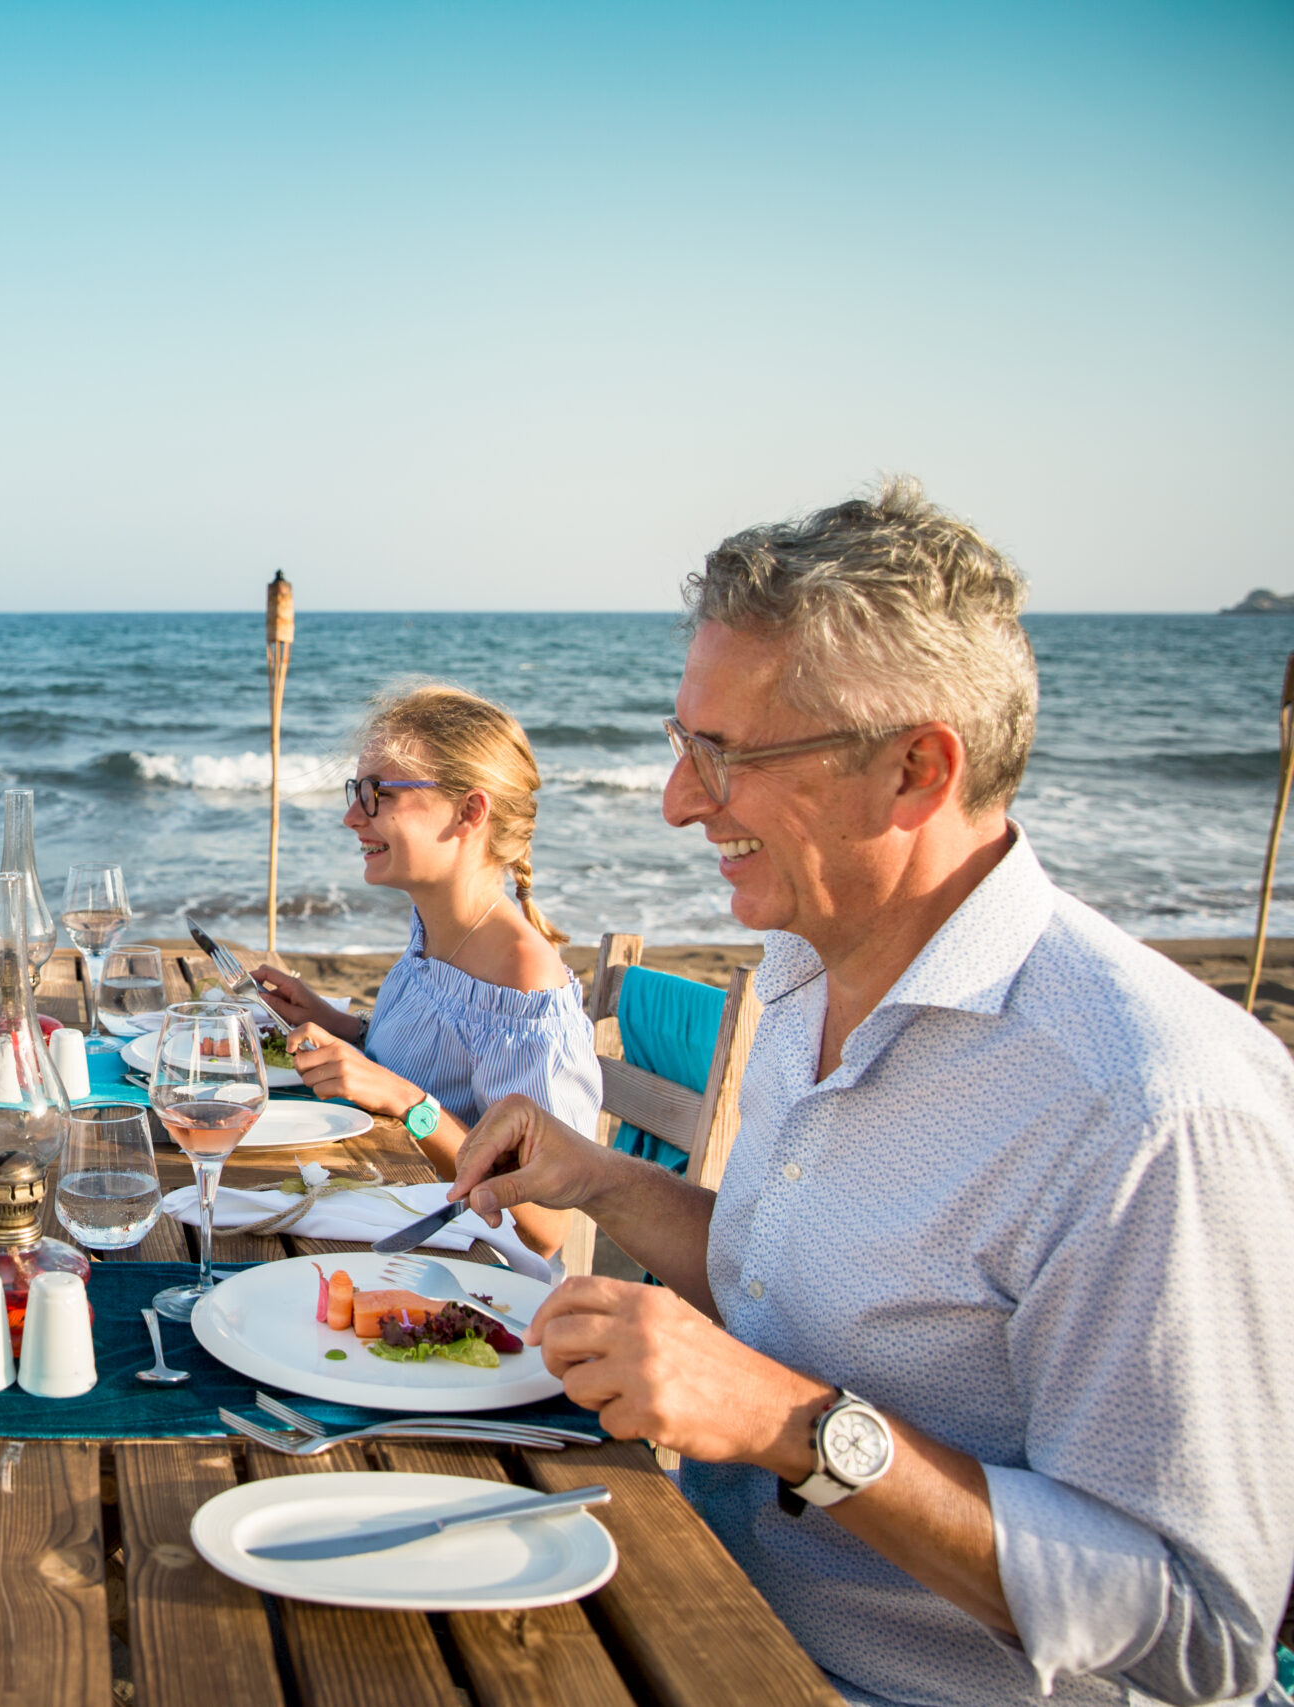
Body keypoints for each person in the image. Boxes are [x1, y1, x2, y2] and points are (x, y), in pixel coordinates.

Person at [448, 480, 1294, 1707]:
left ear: (914, 770)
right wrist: (602, 1178)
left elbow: (1200, 1630)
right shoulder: (807, 961)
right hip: (708, 1618)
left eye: (724, 754)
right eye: (683, 742)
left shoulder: (1154, 1109)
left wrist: (800, 1431)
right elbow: (795, 1285)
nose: (681, 800)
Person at [251, 683, 599, 1257]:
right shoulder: (433, 927)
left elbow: (546, 1226)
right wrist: (338, 1025)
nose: (349, 817)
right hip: (385, 1211)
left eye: (376, 794)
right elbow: (432, 1059)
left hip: (455, 1270)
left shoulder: (523, 980)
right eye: (355, 791)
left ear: (469, 811)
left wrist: (411, 1106)